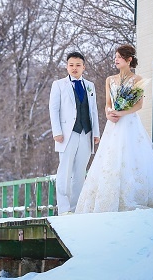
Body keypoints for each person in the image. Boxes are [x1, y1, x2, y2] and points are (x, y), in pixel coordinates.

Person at [76, 44, 153, 213]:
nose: (116, 59)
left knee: (132, 156)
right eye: (115, 57)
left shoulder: (137, 79)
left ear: (129, 59)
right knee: (110, 157)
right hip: (113, 124)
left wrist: (121, 112)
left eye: (119, 57)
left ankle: (133, 196)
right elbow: (107, 103)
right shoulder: (110, 79)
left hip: (130, 122)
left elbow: (139, 105)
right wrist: (109, 113)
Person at [49, 52, 101, 215]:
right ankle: (64, 209)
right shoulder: (59, 85)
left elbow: (93, 110)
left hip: (86, 133)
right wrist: (57, 132)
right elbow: (53, 109)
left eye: (78, 65)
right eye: (71, 65)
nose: (74, 68)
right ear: (67, 67)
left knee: (80, 172)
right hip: (67, 134)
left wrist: (96, 133)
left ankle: (76, 208)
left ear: (83, 67)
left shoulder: (90, 85)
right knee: (64, 172)